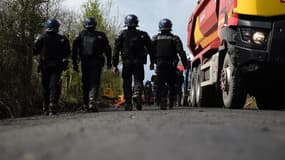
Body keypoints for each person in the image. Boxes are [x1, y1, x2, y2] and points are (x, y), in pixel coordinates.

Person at [113, 14, 155, 111]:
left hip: (126, 63)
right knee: (138, 80)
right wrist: (152, 62)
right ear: (137, 23)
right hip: (139, 63)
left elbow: (116, 50)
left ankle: (128, 104)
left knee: (127, 83)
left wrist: (114, 65)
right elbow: (151, 49)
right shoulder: (143, 35)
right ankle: (137, 93)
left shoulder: (122, 34)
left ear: (126, 23)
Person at [72, 16, 112, 112]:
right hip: (97, 62)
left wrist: (74, 63)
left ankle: (86, 104)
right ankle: (92, 100)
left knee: (85, 83)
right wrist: (109, 62)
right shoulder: (101, 35)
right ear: (95, 24)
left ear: (85, 24)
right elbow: (108, 50)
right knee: (94, 82)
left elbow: (74, 49)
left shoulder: (80, 35)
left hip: (84, 62)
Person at [33, 18, 70, 115]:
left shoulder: (41, 37)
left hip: (45, 66)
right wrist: (66, 62)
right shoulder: (62, 39)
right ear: (57, 27)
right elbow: (67, 53)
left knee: (45, 86)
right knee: (54, 85)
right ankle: (52, 104)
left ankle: (46, 107)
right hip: (56, 66)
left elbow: (34, 51)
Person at [152, 18, 187, 110]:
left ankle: (163, 101)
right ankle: (171, 101)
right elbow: (181, 52)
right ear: (170, 27)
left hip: (160, 64)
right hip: (171, 64)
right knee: (172, 84)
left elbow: (150, 51)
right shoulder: (175, 38)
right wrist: (185, 64)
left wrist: (152, 62)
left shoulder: (155, 38)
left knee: (161, 83)